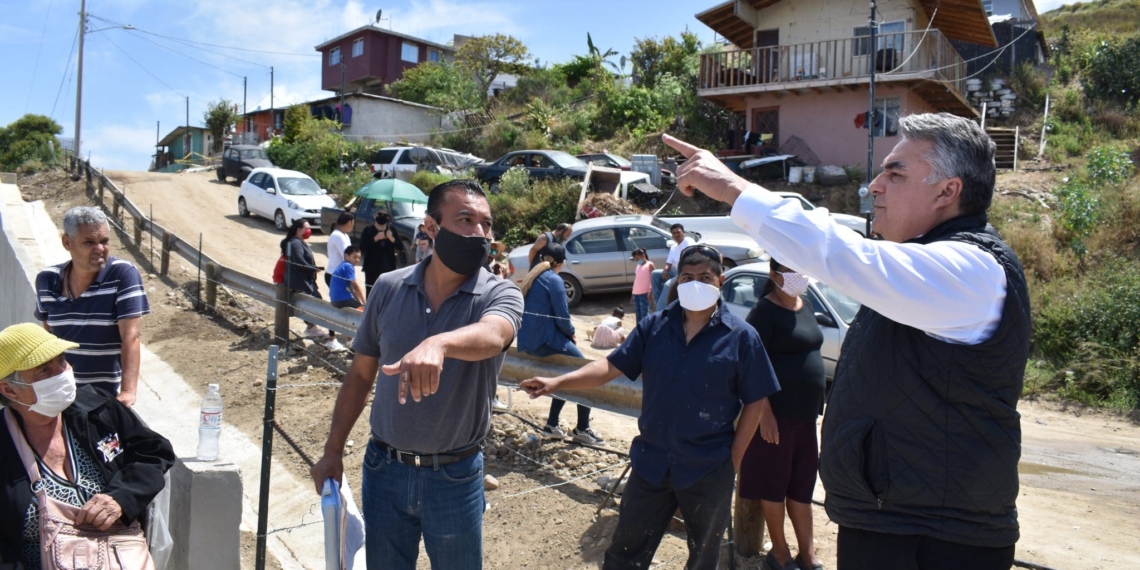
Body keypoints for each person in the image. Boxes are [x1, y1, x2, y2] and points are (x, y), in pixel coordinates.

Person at [663, 112, 1031, 570]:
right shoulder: (929, 266)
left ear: (947, 190)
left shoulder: (972, 269)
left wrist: (734, 189)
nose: (874, 186)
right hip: (899, 523)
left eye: (894, 173)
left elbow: (843, 255)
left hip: (933, 537)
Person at [520, 245, 781, 570]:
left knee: (703, 557)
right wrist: (557, 383)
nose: (695, 283)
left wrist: (734, 460)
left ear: (720, 281)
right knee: (626, 552)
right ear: (677, 279)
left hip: (708, 467)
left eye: (705, 277)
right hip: (651, 462)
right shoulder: (654, 327)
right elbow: (609, 368)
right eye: (687, 276)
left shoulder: (742, 337)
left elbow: (756, 398)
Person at [309, 179, 524, 570]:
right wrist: (332, 451)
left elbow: (496, 333)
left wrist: (439, 343)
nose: (479, 232)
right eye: (465, 219)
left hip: (455, 478)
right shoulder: (389, 288)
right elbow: (359, 376)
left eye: (486, 224)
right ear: (430, 227)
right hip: (383, 470)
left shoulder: (500, 293)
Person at [0, 323, 176, 569]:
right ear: (10, 390)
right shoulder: (5, 444)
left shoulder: (97, 408)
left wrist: (122, 496)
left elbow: (154, 452)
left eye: (61, 361)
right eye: (43, 371)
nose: (61, 373)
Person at [739, 258, 826, 570]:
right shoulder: (764, 311)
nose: (798, 276)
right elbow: (749, 363)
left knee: (802, 487)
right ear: (774, 275)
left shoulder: (805, 303)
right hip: (776, 416)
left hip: (805, 417)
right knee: (773, 485)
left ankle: (809, 554)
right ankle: (779, 553)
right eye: (791, 271)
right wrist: (764, 414)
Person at [34, 206, 150, 407]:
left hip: (102, 398)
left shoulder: (122, 275)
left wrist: (128, 392)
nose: (100, 249)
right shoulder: (47, 280)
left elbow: (131, 336)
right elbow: (49, 335)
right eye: (89, 242)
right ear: (67, 242)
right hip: (59, 394)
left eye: (104, 241)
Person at [517, 244, 606, 446]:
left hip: (528, 342)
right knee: (584, 374)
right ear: (562, 262)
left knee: (564, 376)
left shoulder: (534, 277)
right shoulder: (555, 279)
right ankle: (582, 428)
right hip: (545, 340)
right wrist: (571, 334)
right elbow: (562, 316)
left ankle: (552, 424)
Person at [282, 219, 343, 351]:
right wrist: (312, 268)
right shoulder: (295, 243)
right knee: (320, 306)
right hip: (301, 282)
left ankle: (312, 327)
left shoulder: (297, 242)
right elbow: (299, 261)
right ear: (299, 230)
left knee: (314, 305)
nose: (309, 230)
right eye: (307, 228)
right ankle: (325, 335)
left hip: (304, 281)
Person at [650, 223, 695, 312]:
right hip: (675, 270)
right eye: (674, 233)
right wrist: (666, 270)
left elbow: (690, 259)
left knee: (667, 285)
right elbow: (669, 262)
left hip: (685, 271)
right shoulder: (673, 247)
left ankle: (659, 312)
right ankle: (658, 302)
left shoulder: (688, 242)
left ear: (683, 233)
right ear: (672, 235)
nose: (676, 235)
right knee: (654, 274)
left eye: (678, 232)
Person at [359, 211, 400, 298]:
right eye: (380, 214)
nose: (382, 216)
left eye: (385, 215)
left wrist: (391, 238)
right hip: (372, 268)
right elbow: (362, 247)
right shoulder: (368, 230)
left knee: (388, 293)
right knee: (371, 293)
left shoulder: (391, 230)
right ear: (375, 215)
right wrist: (375, 238)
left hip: (388, 268)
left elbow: (400, 247)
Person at [329, 245, 367, 310]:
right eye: (354, 257)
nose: (357, 260)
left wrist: (359, 303)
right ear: (346, 256)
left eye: (359, 258)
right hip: (344, 299)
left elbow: (352, 289)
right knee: (364, 313)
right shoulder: (348, 266)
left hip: (335, 300)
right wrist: (365, 304)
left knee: (359, 308)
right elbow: (356, 286)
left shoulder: (342, 265)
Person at [325, 212, 354, 292]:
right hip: (334, 274)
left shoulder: (345, 235)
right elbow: (347, 256)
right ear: (349, 222)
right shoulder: (338, 235)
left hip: (341, 274)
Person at [629, 248, 655, 324]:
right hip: (636, 294)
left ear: (643, 255)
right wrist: (632, 294)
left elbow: (653, 280)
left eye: (637, 258)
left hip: (645, 293)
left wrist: (651, 292)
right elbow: (637, 280)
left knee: (644, 315)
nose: (637, 261)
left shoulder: (650, 264)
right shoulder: (638, 266)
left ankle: (645, 331)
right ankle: (639, 332)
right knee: (638, 314)